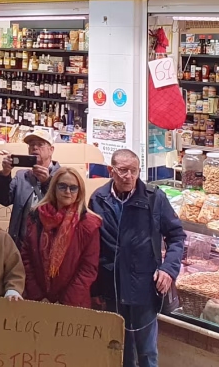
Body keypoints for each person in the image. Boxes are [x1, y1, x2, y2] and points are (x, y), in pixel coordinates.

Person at [88, 150, 186, 367]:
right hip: (110, 289)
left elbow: (176, 236)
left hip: (143, 288)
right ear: (111, 171)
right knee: (117, 352)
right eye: (123, 170)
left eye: (134, 171)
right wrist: (94, 290)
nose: (129, 176)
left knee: (147, 353)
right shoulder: (98, 199)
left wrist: (169, 270)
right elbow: (91, 247)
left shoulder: (154, 198)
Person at [20, 167, 100, 308]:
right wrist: (38, 296)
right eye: (62, 186)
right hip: (39, 302)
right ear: (53, 188)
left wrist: (65, 302)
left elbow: (88, 268)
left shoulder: (88, 224)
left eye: (73, 188)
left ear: (79, 192)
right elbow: (26, 257)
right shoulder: (36, 216)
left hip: (73, 304)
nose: (68, 192)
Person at [0, 129, 61, 249]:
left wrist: (47, 183)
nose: (35, 147)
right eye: (31, 144)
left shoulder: (62, 176)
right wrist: (5, 174)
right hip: (21, 245)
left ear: (51, 150)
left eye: (40, 144)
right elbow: (2, 198)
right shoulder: (22, 176)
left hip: (50, 246)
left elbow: (65, 208)